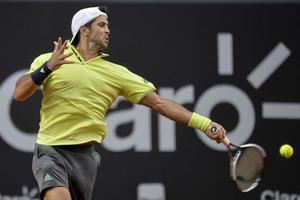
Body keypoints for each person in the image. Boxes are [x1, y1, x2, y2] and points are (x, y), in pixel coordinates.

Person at [13, 6, 226, 200]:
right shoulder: (49, 59)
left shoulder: (116, 73)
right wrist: (47, 67)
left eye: (108, 26)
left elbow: (159, 102)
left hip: (86, 159)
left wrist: (205, 124)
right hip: (50, 151)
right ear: (84, 30)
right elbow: (19, 93)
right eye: (102, 24)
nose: (108, 30)